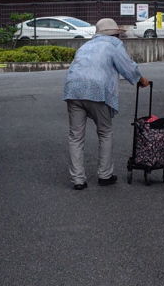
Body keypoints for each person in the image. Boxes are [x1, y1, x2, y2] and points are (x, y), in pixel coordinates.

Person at [63, 18, 149, 189]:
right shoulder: (113, 44)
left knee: (76, 136)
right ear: (115, 33)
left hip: (73, 89)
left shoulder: (85, 46)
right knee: (104, 132)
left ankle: (78, 180)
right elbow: (128, 67)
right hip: (96, 90)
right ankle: (104, 175)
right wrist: (141, 80)